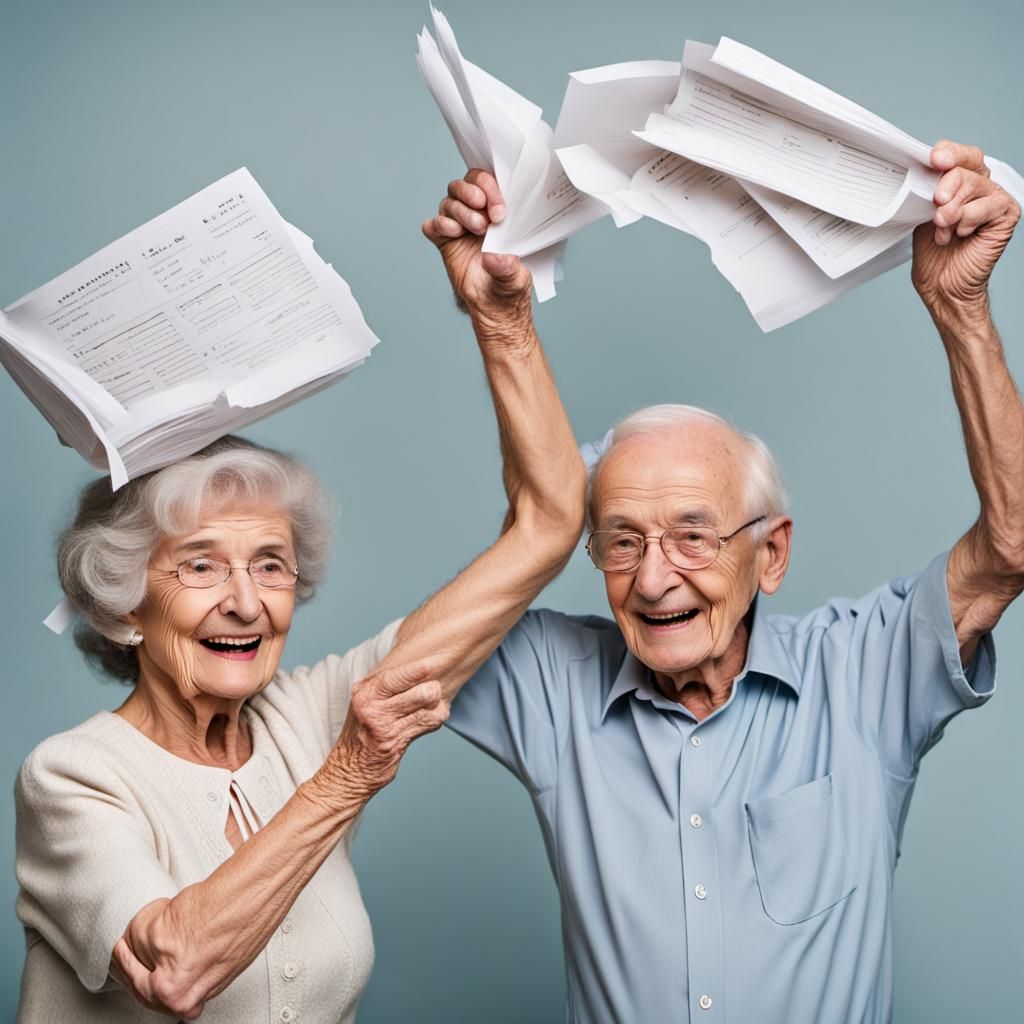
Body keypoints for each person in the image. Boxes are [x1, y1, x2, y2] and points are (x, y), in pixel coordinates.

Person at [438, 143, 1022, 1022]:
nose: (653, 579)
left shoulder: (863, 672)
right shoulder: (554, 685)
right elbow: (457, 619)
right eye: (622, 542)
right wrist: (502, 326)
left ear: (771, 555)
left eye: (693, 537)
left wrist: (960, 307)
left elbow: (1011, 547)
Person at [12, 185, 585, 1022]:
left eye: (271, 565)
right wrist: (346, 776)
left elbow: (548, 526)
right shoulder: (73, 777)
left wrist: (502, 323)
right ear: (127, 605)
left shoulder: (310, 717)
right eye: (202, 567)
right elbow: (175, 970)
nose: (246, 602)